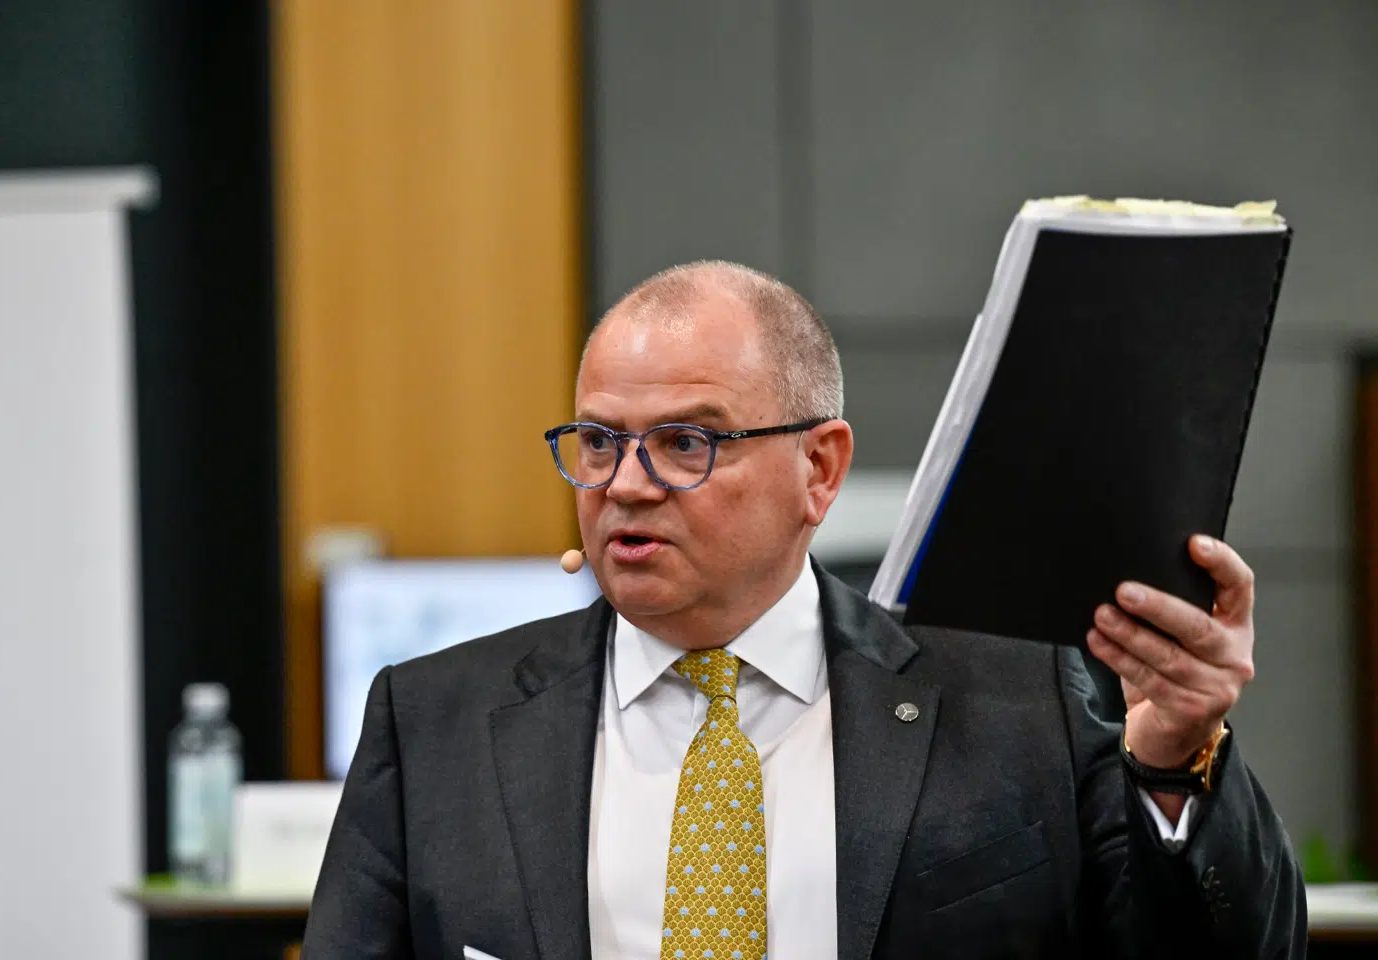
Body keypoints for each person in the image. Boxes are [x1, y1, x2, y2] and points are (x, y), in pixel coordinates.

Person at [303, 261, 1303, 959]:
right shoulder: (433, 724)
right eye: (600, 442)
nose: (627, 485)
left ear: (818, 468)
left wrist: (1171, 758)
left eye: (687, 442)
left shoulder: (1019, 702)